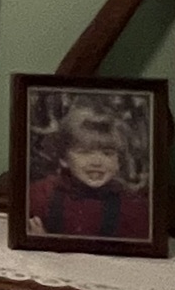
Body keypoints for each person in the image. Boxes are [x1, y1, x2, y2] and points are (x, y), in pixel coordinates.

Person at [26, 101, 151, 241]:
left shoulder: (134, 209)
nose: (96, 162)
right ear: (64, 159)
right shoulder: (39, 196)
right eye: (84, 152)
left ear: (119, 162)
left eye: (107, 153)